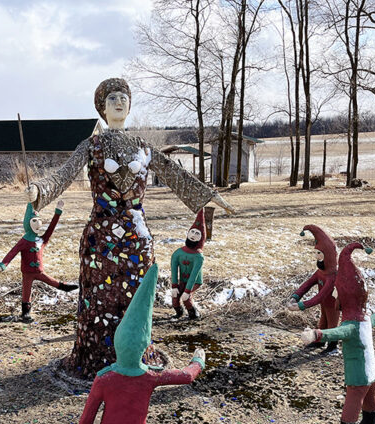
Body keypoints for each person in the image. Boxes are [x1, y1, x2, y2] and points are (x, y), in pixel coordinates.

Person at [25, 77, 234, 377]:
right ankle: (97, 358)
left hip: (137, 238)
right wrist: (39, 191)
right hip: (101, 240)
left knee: (135, 298)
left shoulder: (143, 147)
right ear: (102, 107)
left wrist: (210, 197)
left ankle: (136, 356)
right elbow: (63, 174)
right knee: (100, 301)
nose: (119, 102)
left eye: (124, 97)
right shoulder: (92, 145)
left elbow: (176, 176)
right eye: (112, 99)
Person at [70, 264, 205, 424]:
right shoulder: (150, 376)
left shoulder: (105, 378)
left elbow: (90, 410)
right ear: (143, 346)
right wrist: (198, 360)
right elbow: (186, 376)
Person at [300, 243, 375, 424]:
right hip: (371, 372)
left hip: (357, 377)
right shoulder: (366, 318)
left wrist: (316, 334)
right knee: (370, 406)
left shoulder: (353, 324)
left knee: (350, 413)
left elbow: (338, 332)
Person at [0, 200, 78, 322]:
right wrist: (2, 265)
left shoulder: (41, 240)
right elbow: (12, 252)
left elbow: (51, 228)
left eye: (39, 220)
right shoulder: (24, 241)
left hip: (39, 272)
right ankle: (25, 313)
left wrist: (58, 212)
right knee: (26, 292)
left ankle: (64, 287)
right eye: (34, 220)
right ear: (28, 223)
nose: (38, 223)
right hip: (28, 273)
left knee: (52, 281)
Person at [287, 225, 340, 353]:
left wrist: (301, 305)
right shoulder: (320, 272)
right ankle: (320, 342)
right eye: (316, 253)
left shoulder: (332, 276)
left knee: (332, 324)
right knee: (322, 322)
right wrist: (295, 296)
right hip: (324, 305)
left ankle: (332, 346)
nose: (316, 257)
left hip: (333, 304)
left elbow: (320, 296)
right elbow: (307, 284)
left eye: (319, 253)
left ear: (328, 255)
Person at [170, 208, 206, 320]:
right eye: (192, 232)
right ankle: (178, 312)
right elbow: (174, 269)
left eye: (197, 233)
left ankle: (193, 314)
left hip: (194, 281)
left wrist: (187, 290)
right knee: (175, 296)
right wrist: (174, 285)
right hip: (183, 280)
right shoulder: (178, 253)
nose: (193, 235)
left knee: (186, 298)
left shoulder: (198, 256)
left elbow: (194, 274)